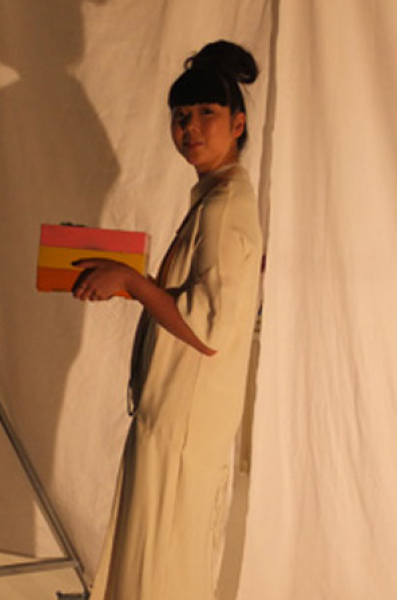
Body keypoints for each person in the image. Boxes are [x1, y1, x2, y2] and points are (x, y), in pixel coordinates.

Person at [71, 40, 263, 599]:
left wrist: (132, 282)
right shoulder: (215, 197)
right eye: (181, 116)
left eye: (207, 113)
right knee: (160, 559)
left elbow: (208, 329)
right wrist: (124, 277)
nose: (190, 128)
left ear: (238, 123)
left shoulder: (224, 206)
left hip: (185, 421)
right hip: (178, 415)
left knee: (162, 566)